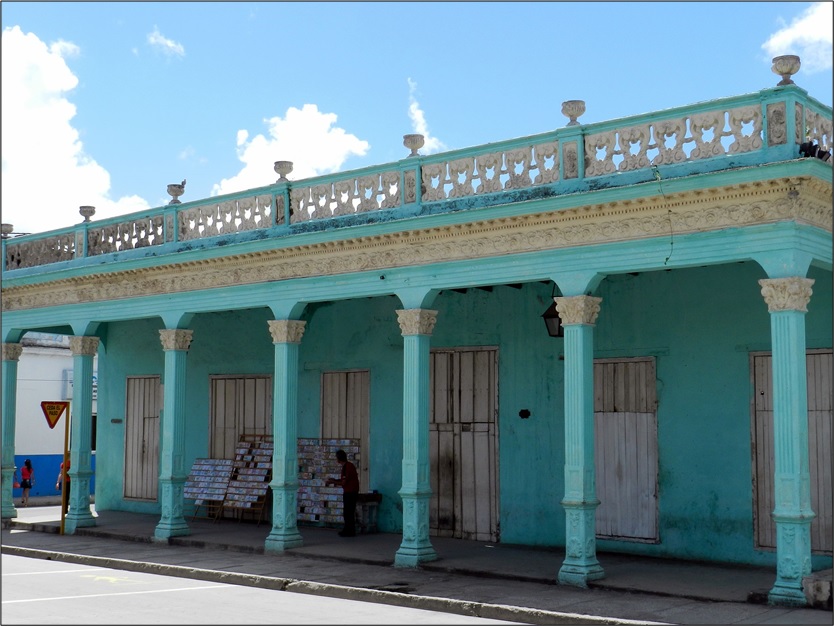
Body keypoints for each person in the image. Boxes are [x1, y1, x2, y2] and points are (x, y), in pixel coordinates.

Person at [326, 449, 359, 537]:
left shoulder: (346, 467)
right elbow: (344, 480)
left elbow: (343, 483)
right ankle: (348, 529)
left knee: (348, 512)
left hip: (350, 492)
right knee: (349, 512)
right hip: (353, 491)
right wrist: (334, 480)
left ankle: (349, 530)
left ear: (339, 459)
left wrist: (333, 482)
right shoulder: (350, 465)